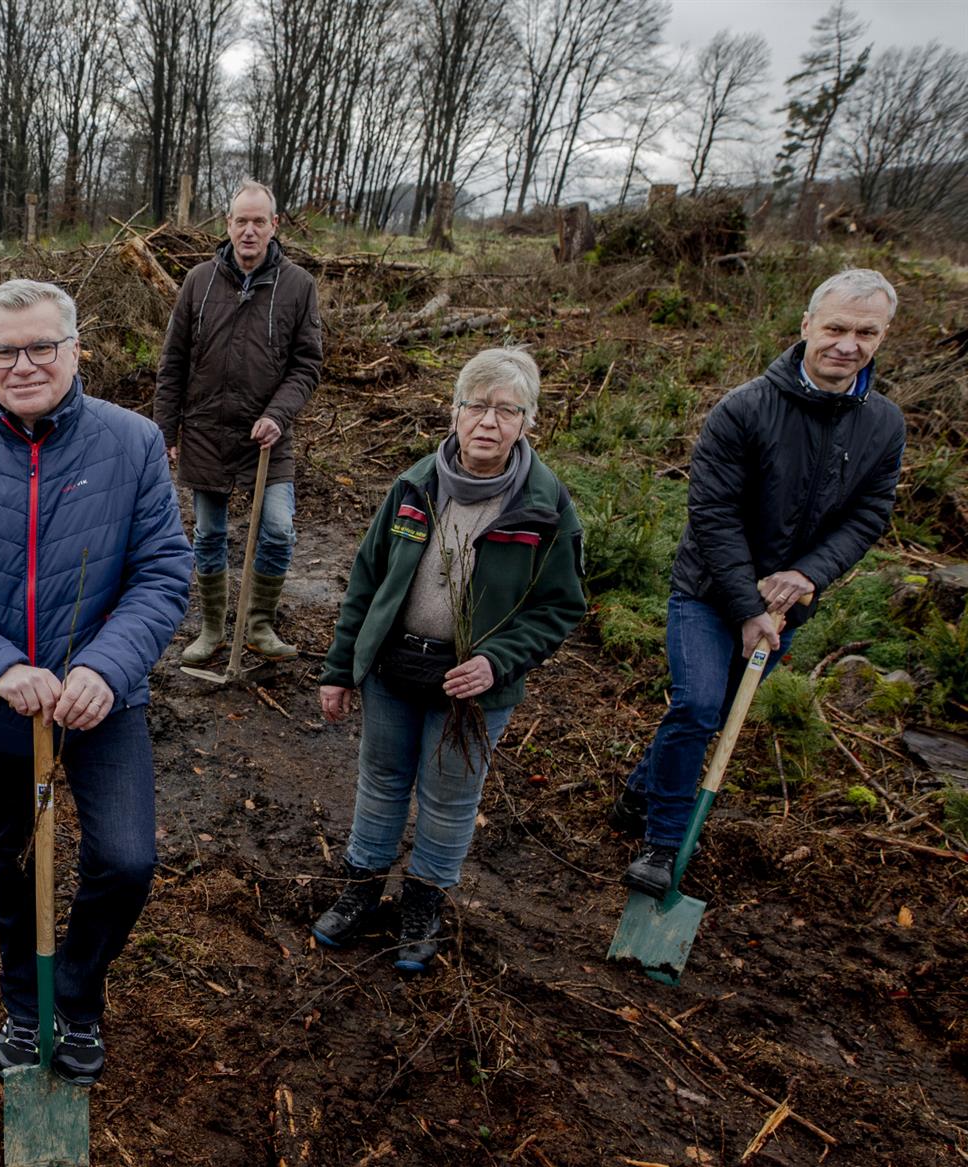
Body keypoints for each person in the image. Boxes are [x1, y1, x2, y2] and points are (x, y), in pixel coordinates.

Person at [0, 279, 192, 1085]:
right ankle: (29, 1011)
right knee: (16, 864)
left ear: (74, 348)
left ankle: (77, 997)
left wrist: (105, 665)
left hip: (104, 703)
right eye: (4, 350)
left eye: (40, 347)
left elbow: (164, 571)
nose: (23, 364)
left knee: (126, 862)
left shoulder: (131, 444)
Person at [615, 269, 904, 895]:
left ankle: (639, 792)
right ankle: (662, 846)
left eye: (865, 332)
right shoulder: (744, 408)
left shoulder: (884, 423)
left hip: (790, 604)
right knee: (695, 704)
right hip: (708, 592)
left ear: (882, 336)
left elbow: (869, 514)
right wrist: (749, 605)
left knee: (714, 713)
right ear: (806, 327)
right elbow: (713, 514)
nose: (847, 344)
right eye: (835, 328)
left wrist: (806, 575)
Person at [313, 347, 585, 971]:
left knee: (450, 797)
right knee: (381, 782)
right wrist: (339, 669)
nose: (488, 422)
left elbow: (559, 608)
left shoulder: (544, 508)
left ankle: (423, 904)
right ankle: (359, 893)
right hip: (394, 670)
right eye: (476, 406)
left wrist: (497, 661)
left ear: (528, 422)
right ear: (455, 411)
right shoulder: (415, 485)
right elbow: (367, 580)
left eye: (506, 410)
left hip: (473, 689)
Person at [154, 179, 323, 664]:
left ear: (274, 226)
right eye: (240, 221)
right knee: (208, 534)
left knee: (278, 529)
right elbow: (174, 361)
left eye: (258, 221)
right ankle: (211, 630)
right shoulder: (198, 281)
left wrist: (278, 414)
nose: (249, 231)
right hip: (206, 430)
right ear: (227, 225)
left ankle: (259, 627)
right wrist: (167, 430)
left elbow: (306, 365)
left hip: (268, 437)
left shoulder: (298, 286)